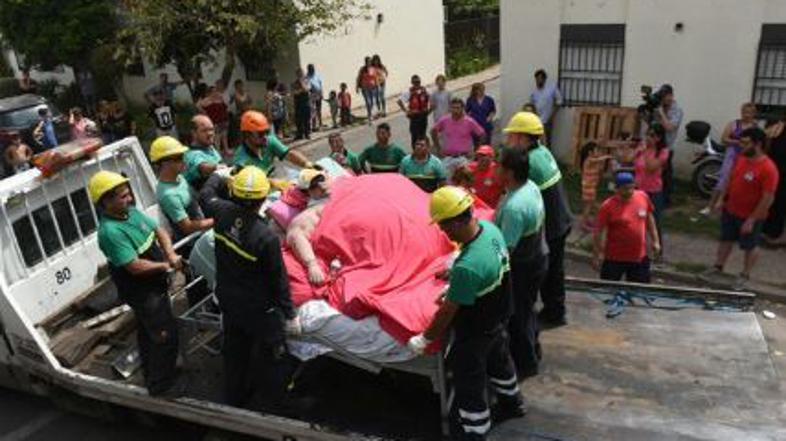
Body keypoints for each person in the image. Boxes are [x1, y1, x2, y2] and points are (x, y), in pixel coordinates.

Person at [408, 186, 525, 441]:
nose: (442, 231)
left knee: (468, 382)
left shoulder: (468, 267)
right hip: (498, 317)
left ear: (457, 222)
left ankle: (475, 431)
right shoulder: (490, 230)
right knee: (500, 363)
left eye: (442, 224)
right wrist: (457, 278)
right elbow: (486, 267)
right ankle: (513, 403)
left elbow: (447, 312)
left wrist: (425, 339)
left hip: (475, 330)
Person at [199, 166, 302, 410]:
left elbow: (205, 195)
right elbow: (278, 280)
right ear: (263, 198)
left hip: (228, 299)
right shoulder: (265, 237)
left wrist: (218, 175)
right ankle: (276, 405)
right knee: (273, 356)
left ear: (233, 192)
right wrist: (290, 314)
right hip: (257, 309)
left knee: (235, 352)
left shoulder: (221, 211)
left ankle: (235, 398)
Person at [89, 170, 183, 397]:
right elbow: (134, 267)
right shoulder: (110, 232)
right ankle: (161, 386)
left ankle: (153, 371)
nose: (130, 198)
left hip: (154, 282)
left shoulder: (130, 213)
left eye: (128, 193)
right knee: (164, 335)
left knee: (148, 330)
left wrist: (170, 253)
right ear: (106, 202)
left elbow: (159, 230)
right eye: (123, 196)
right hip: (141, 290)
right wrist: (165, 266)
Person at [504, 112, 573, 327]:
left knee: (547, 272)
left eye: (511, 136)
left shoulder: (530, 163)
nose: (508, 140)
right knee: (555, 270)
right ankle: (555, 310)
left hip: (552, 225)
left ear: (523, 138)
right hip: (561, 219)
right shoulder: (543, 151)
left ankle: (553, 314)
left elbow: (516, 191)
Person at [494, 148, 548, 379]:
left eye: (499, 165)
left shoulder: (515, 207)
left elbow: (505, 251)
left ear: (509, 173)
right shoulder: (530, 187)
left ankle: (526, 364)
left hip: (524, 266)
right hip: (538, 256)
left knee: (517, 317)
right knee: (528, 309)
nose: (495, 168)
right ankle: (534, 349)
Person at [705, 127, 779, 290]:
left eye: (745, 143)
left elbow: (768, 198)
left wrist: (752, 220)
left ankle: (745, 274)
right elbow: (731, 180)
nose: (741, 146)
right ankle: (718, 267)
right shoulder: (741, 159)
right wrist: (721, 200)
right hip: (731, 209)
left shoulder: (768, 168)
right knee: (726, 239)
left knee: (750, 245)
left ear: (757, 144)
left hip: (751, 215)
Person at [593, 172, 660, 283]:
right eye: (625, 189)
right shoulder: (608, 206)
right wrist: (597, 254)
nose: (629, 191)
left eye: (631, 187)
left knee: (639, 289)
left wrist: (655, 241)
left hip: (639, 257)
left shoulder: (643, 197)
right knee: (609, 289)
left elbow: (649, 220)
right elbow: (599, 232)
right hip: (614, 258)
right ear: (617, 189)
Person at [150, 136, 214, 241]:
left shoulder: (179, 177)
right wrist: (217, 220)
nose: (184, 160)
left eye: (183, 156)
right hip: (196, 240)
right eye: (178, 158)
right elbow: (188, 227)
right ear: (164, 164)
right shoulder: (169, 195)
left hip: (204, 226)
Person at [702, 103, 759, 215]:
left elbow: (757, 142)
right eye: (744, 112)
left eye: (749, 113)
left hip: (745, 157)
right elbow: (724, 139)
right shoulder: (734, 124)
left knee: (740, 182)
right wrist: (738, 142)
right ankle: (710, 206)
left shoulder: (755, 127)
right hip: (732, 154)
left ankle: (727, 206)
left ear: (754, 114)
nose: (746, 115)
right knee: (723, 179)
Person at [234, 110, 315, 175]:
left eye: (267, 132)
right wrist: (274, 183)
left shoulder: (270, 141)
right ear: (247, 135)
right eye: (261, 134)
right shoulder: (241, 160)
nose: (265, 137)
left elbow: (289, 155)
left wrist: (307, 164)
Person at [634, 124, 670, 251]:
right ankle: (639, 248)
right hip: (639, 190)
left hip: (653, 192)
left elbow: (651, 168)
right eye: (647, 134)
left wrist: (645, 152)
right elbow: (629, 160)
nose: (648, 138)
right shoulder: (642, 148)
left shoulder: (663, 152)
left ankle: (658, 250)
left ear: (659, 138)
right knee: (637, 219)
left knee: (654, 222)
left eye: (652, 135)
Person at [431, 98, 486, 180]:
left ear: (462, 109)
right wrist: (438, 148)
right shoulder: (445, 120)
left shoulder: (469, 121)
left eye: (458, 108)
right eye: (453, 108)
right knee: (445, 181)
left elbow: (482, 134)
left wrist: (477, 151)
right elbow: (433, 131)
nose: (455, 110)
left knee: (465, 181)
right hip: (448, 157)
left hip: (464, 158)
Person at [649, 84, 683, 206]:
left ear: (671, 96)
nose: (663, 99)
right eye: (661, 97)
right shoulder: (659, 107)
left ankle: (666, 199)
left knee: (666, 174)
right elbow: (652, 125)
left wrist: (662, 113)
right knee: (655, 173)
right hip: (655, 145)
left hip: (667, 146)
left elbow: (670, 127)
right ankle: (653, 196)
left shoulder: (677, 110)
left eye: (665, 96)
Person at [183, 115, 223, 192]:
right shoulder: (191, 154)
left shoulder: (209, 147)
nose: (210, 133)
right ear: (194, 133)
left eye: (211, 129)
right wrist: (217, 167)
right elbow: (203, 167)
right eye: (204, 131)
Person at [579, 142, 612, 232]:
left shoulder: (593, 161)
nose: (598, 152)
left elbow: (599, 171)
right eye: (596, 150)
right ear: (590, 152)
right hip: (588, 186)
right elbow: (597, 160)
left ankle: (587, 221)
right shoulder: (589, 160)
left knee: (590, 204)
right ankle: (584, 224)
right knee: (589, 206)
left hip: (590, 186)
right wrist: (606, 157)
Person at [764, 118, 786, 245]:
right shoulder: (778, 127)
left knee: (781, 203)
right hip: (774, 169)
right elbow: (767, 144)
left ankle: (777, 234)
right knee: (772, 200)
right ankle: (767, 230)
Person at [197, 81, 230, 157]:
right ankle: (218, 152)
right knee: (217, 137)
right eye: (213, 91)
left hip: (223, 119)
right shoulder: (207, 100)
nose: (215, 92)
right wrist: (204, 112)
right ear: (210, 92)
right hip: (215, 121)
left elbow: (225, 106)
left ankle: (226, 150)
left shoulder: (219, 98)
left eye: (216, 91)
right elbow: (198, 105)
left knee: (224, 136)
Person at [529, 70, 563, 145]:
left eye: (540, 79)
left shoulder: (551, 89)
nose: (538, 81)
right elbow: (532, 106)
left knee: (547, 141)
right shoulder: (534, 93)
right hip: (537, 121)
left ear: (544, 79)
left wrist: (552, 116)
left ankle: (547, 152)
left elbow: (559, 101)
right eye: (536, 79)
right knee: (537, 142)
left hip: (547, 121)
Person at [398, 75, 431, 146]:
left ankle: (425, 148)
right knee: (415, 136)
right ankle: (415, 149)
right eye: (415, 82)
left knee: (423, 134)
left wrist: (429, 110)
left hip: (423, 116)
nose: (417, 84)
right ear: (412, 83)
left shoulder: (424, 90)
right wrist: (406, 111)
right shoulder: (409, 92)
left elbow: (431, 99)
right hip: (414, 117)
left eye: (418, 82)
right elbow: (399, 101)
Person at [356, 57, 378, 125]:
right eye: (367, 61)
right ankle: (370, 116)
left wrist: (377, 85)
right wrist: (357, 87)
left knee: (372, 102)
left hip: (373, 87)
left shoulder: (373, 69)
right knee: (368, 102)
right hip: (365, 88)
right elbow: (358, 78)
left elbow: (375, 77)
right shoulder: (362, 69)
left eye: (369, 61)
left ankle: (370, 113)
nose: (368, 62)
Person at [292, 70, 312, 140]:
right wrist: (301, 90)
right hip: (298, 103)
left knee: (306, 119)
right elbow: (294, 92)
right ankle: (299, 134)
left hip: (306, 103)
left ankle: (307, 134)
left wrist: (301, 83)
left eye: (301, 74)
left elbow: (307, 89)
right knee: (298, 120)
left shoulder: (307, 81)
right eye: (298, 74)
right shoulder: (295, 83)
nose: (300, 76)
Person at [307, 64, 324, 131]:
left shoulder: (317, 75)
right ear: (308, 69)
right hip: (312, 95)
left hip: (318, 94)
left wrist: (321, 93)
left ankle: (320, 123)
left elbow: (320, 84)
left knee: (319, 110)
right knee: (313, 111)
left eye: (313, 68)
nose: (312, 70)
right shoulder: (307, 77)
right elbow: (308, 87)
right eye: (311, 69)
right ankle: (314, 126)